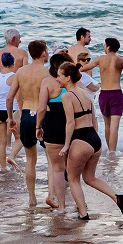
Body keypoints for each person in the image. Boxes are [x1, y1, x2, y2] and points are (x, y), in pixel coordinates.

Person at [56, 60, 123, 220]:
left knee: (74, 180)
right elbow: (94, 119)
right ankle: (116, 197)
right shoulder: (84, 92)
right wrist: (94, 138)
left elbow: (70, 122)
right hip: (94, 139)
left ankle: (83, 214)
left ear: (68, 78)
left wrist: (66, 145)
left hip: (80, 138)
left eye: (59, 75)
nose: (57, 79)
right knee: (90, 178)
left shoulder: (67, 96)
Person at [10, 41, 51, 205]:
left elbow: (10, 97)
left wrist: (11, 118)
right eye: (47, 51)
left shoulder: (20, 72)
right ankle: (51, 195)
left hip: (26, 113)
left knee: (30, 161)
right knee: (51, 160)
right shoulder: (47, 72)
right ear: (43, 53)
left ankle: (32, 198)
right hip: (44, 114)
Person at [36, 51, 73, 211]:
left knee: (55, 166)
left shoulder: (47, 82)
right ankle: (78, 202)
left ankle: (56, 199)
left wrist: (38, 126)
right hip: (71, 126)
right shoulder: (73, 84)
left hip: (52, 125)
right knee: (70, 168)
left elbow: (42, 108)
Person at [95, 37, 123, 153]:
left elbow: (84, 68)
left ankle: (109, 151)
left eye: (104, 45)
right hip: (116, 94)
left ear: (108, 47)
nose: (104, 47)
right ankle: (112, 153)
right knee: (114, 127)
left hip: (104, 94)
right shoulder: (121, 60)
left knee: (107, 125)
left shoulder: (100, 59)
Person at [0, 53, 18, 171]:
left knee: (1, 142)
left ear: (2, 63)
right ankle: (12, 156)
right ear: (13, 63)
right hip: (11, 109)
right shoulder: (14, 76)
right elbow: (18, 96)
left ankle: (3, 167)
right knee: (19, 137)